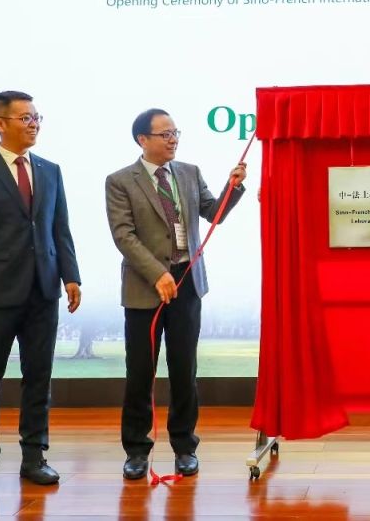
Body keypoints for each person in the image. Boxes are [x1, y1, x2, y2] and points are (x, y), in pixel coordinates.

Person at [106, 108, 247, 480]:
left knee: (185, 370)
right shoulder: (120, 181)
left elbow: (213, 213)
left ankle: (185, 446)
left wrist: (233, 188)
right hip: (144, 287)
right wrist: (157, 273)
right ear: (143, 140)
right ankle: (136, 450)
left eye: (175, 132)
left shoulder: (189, 172)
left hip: (187, 282)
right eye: (164, 134)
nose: (173, 139)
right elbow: (124, 236)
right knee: (140, 372)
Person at [0, 91, 82, 497]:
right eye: (25, 118)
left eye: (36, 117)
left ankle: (34, 458)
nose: (34, 124)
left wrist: (71, 277)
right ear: (0, 123)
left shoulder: (50, 170)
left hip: (43, 291)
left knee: (38, 378)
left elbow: (59, 229)